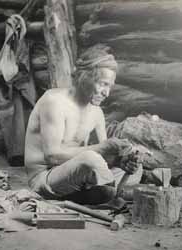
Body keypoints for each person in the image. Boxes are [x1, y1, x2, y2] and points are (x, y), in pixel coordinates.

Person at [24, 46, 143, 205]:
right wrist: (103, 149)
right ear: (84, 76)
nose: (106, 93)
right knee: (90, 159)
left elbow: (105, 160)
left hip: (73, 173)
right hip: (45, 178)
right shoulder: (54, 101)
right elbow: (51, 156)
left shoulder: (97, 113)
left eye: (109, 86)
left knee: (136, 167)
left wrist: (121, 162)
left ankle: (100, 193)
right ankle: (108, 194)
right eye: (103, 84)